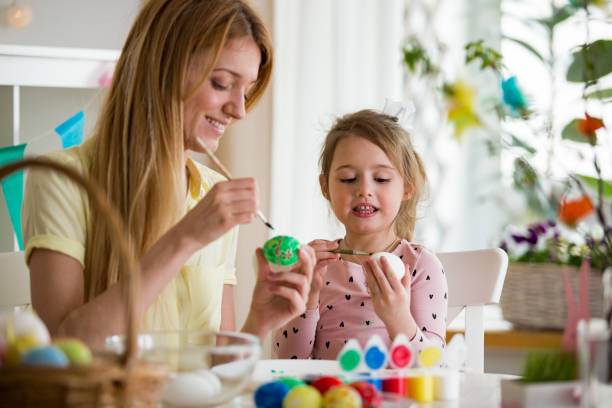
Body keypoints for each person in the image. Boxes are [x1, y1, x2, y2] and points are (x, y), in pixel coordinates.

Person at [21, 0, 315, 348]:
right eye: (222, 83)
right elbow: (65, 353)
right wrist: (184, 239)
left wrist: (257, 323)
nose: (239, 110)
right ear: (162, 70)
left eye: (247, 90)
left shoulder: (214, 190)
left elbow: (213, 374)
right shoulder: (63, 180)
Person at [274, 109, 447, 361]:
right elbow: (289, 361)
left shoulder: (421, 266)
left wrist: (398, 319)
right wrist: (308, 295)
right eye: (348, 178)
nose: (364, 190)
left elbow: (434, 367)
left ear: (407, 187)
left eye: (381, 179)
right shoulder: (318, 267)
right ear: (325, 187)